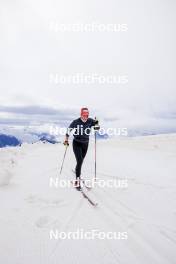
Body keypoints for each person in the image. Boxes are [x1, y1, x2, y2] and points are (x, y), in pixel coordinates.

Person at [64, 107, 100, 188]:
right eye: (84, 115)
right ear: (81, 114)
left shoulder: (90, 121)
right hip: (76, 143)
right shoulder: (76, 122)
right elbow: (68, 130)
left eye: (87, 115)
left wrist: (97, 122)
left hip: (85, 144)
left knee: (81, 161)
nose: (85, 116)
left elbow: (97, 128)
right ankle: (77, 179)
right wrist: (66, 140)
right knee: (80, 161)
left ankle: (77, 170)